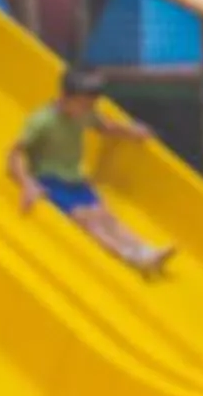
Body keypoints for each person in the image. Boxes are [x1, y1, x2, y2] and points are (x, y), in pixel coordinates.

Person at [9, 69, 174, 275]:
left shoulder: (84, 114)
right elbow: (15, 154)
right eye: (85, 105)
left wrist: (132, 131)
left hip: (75, 179)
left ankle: (146, 250)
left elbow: (105, 126)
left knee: (106, 216)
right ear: (65, 97)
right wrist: (27, 184)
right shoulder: (42, 121)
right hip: (50, 180)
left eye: (91, 105)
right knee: (87, 219)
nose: (89, 109)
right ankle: (130, 257)